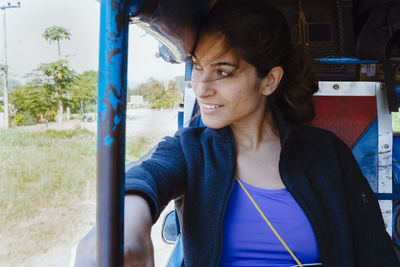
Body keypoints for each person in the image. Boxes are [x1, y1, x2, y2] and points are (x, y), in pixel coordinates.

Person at [76, 0, 400, 266]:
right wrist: (127, 230)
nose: (201, 88)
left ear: (269, 81)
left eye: (223, 72)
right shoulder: (192, 150)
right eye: (198, 67)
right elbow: (148, 175)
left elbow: (376, 253)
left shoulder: (326, 154)